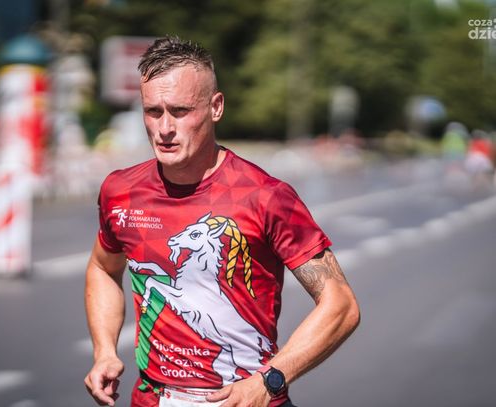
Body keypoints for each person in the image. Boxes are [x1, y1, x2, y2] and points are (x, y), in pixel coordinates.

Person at [84, 36, 360, 407]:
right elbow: (103, 268)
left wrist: (269, 381)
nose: (164, 128)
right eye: (153, 112)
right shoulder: (121, 190)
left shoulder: (265, 196)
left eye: (180, 111)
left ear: (215, 107)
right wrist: (104, 351)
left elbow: (341, 303)